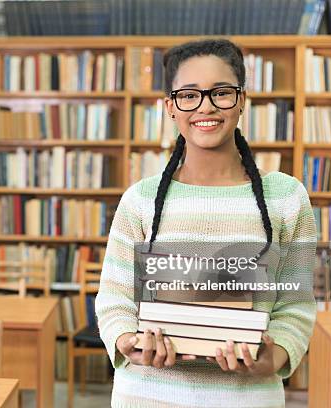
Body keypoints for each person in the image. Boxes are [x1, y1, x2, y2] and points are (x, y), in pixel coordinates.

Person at [95, 38, 317, 407]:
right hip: (146, 396)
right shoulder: (140, 199)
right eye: (189, 95)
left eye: (221, 92)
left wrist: (273, 356)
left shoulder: (287, 197)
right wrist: (128, 343)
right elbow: (115, 301)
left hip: (247, 398)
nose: (206, 107)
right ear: (170, 105)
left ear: (242, 100)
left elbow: (295, 304)